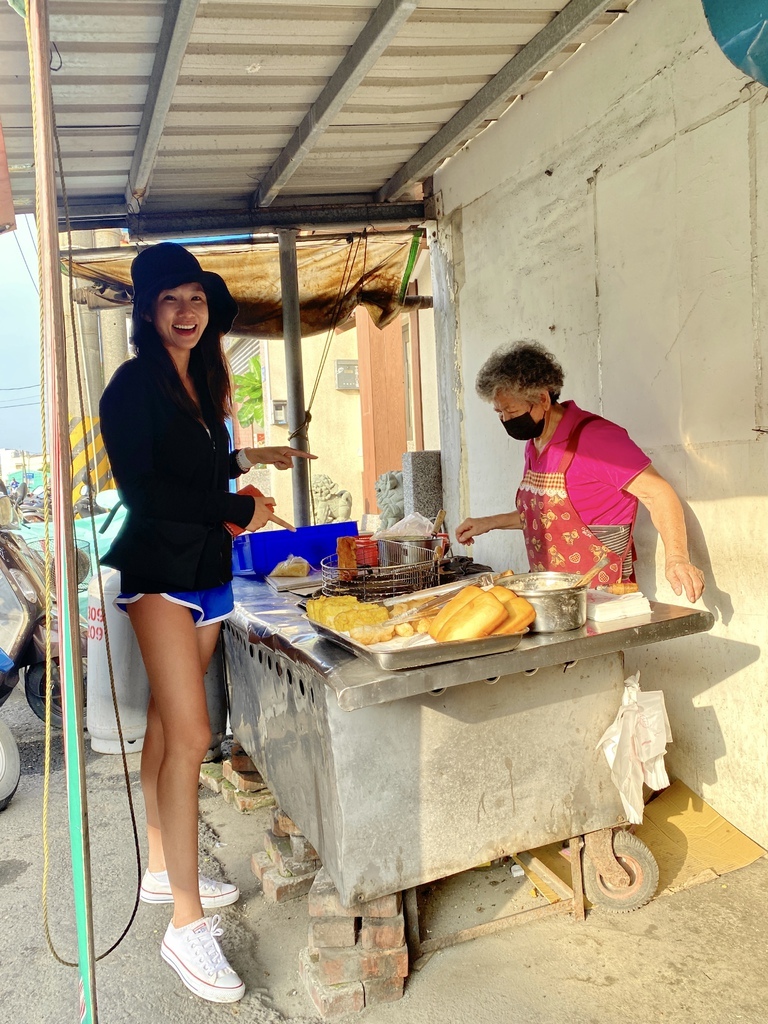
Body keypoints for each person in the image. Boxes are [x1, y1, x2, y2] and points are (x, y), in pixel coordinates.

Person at [99, 242, 315, 1004]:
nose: (186, 312)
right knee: (192, 737)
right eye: (171, 300)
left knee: (168, 720)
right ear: (147, 311)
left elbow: (196, 467)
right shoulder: (131, 386)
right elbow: (147, 489)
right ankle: (184, 927)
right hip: (160, 572)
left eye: (195, 299)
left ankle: (163, 868)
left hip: (207, 574)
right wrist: (240, 508)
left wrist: (254, 465)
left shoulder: (196, 386)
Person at [456, 342, 705, 602]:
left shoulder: (596, 439)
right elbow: (547, 517)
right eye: (499, 412)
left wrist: (677, 558)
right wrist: (488, 524)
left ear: (542, 398)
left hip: (601, 598)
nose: (506, 420)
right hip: (551, 594)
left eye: (512, 411)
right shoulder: (536, 442)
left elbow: (658, 494)